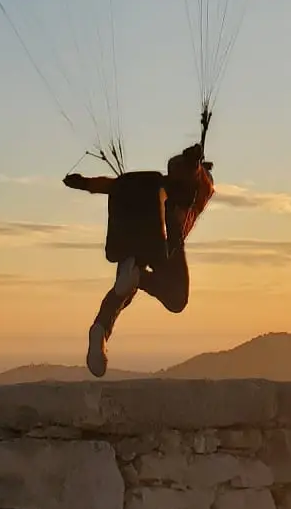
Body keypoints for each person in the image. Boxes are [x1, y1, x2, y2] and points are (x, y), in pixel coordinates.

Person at [65, 132, 215, 377]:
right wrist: (193, 164)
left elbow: (111, 185)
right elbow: (199, 182)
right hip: (165, 242)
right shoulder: (194, 193)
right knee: (177, 299)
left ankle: (100, 329)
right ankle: (139, 279)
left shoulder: (153, 186)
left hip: (132, 238)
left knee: (123, 292)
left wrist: (84, 183)